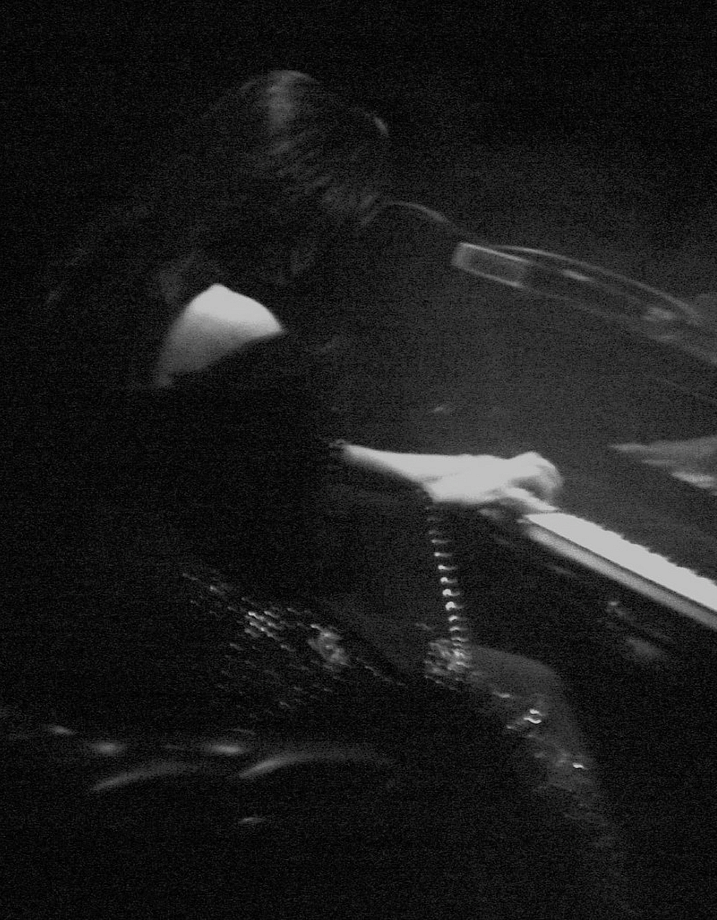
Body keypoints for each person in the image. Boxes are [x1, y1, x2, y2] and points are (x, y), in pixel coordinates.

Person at [4, 70, 636, 918]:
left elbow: (208, 451)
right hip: (185, 637)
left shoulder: (103, 271)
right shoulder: (241, 326)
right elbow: (286, 552)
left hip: (69, 613)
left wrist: (432, 472)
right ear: (312, 206)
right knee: (525, 693)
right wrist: (401, 519)